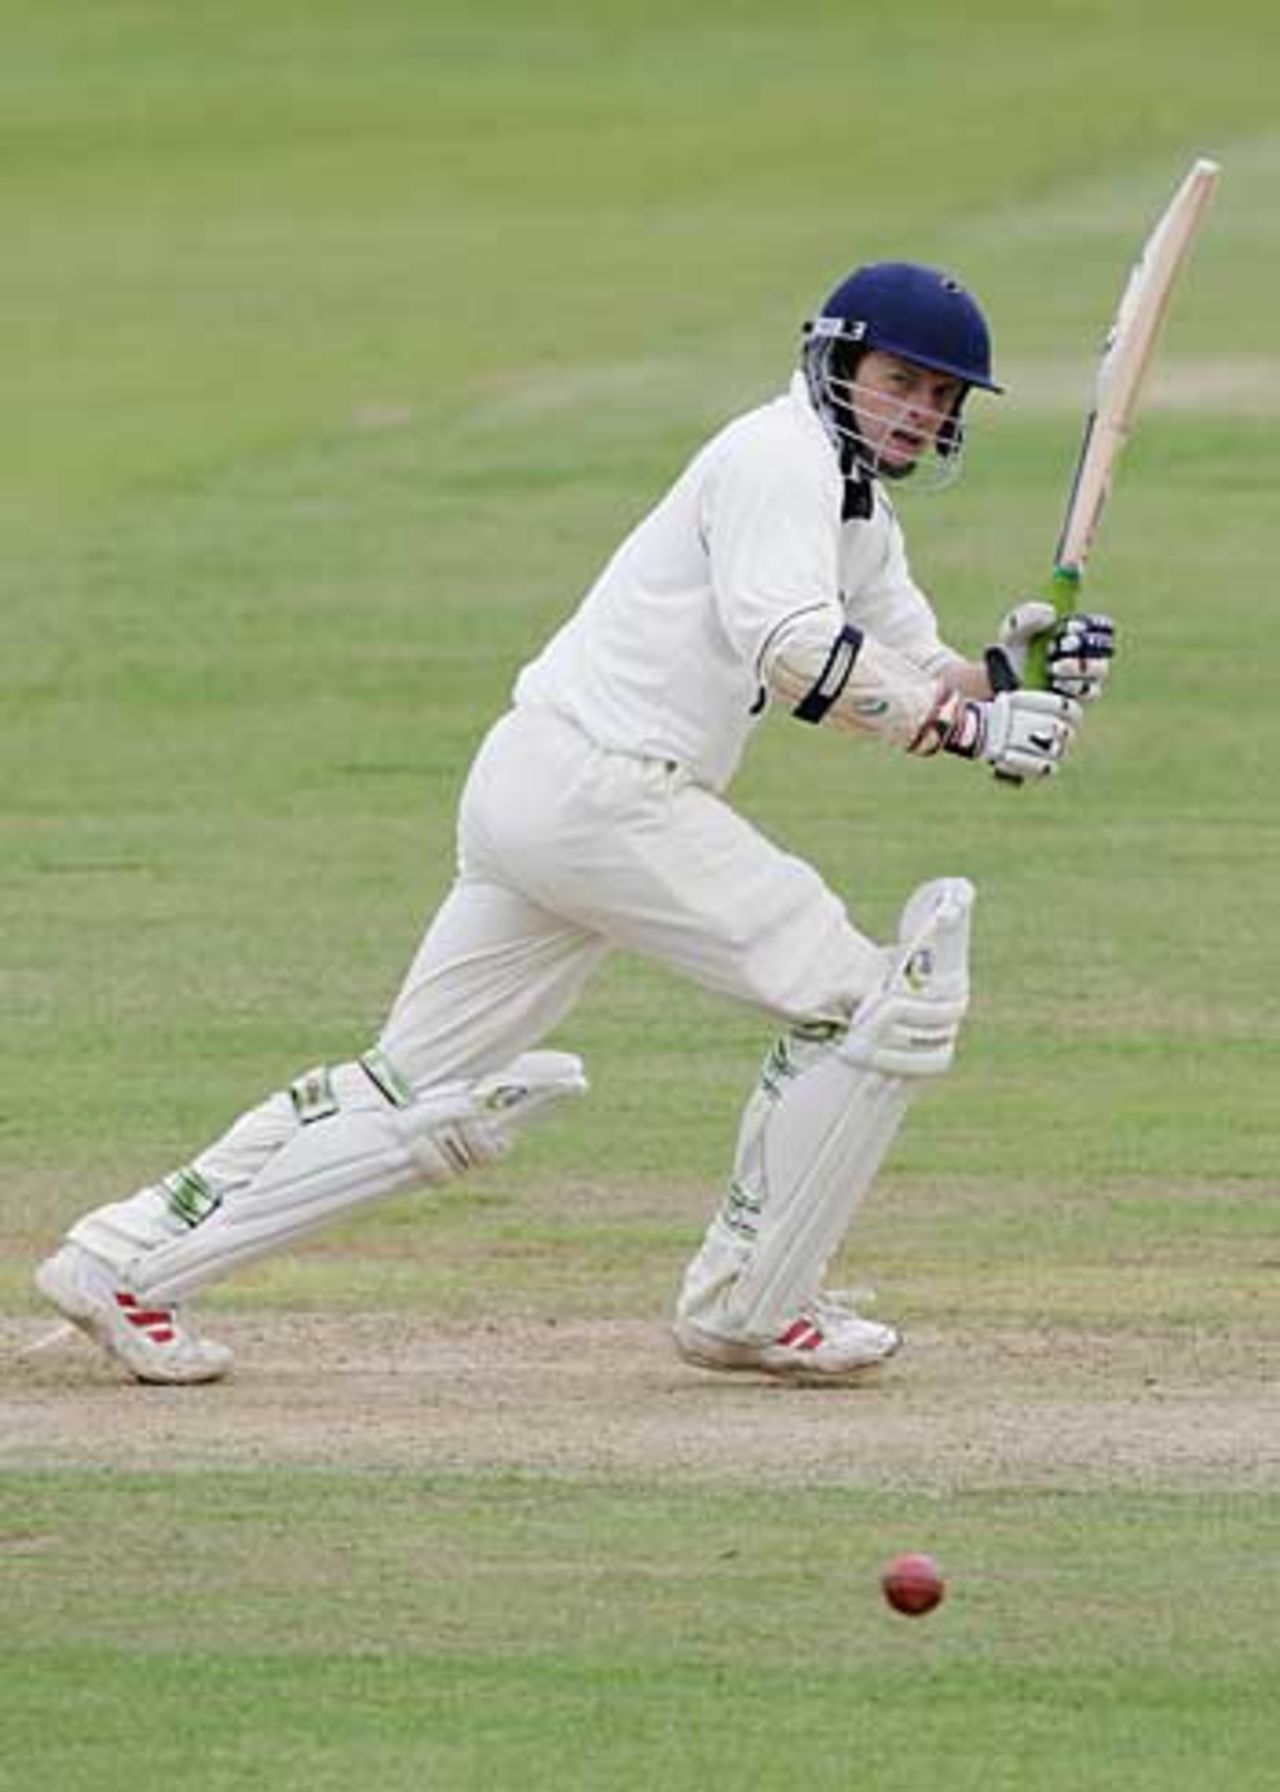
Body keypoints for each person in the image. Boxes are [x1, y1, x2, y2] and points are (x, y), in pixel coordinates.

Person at [34, 261, 1114, 1388]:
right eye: (904, 382)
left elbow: (906, 665)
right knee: (863, 1002)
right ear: (838, 363)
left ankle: (123, 1259)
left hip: (543, 783)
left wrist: (1008, 675)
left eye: (942, 398)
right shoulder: (775, 459)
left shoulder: (852, 505)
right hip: (610, 790)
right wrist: (962, 732)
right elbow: (792, 651)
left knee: (413, 1085)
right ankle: (751, 1303)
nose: (923, 413)